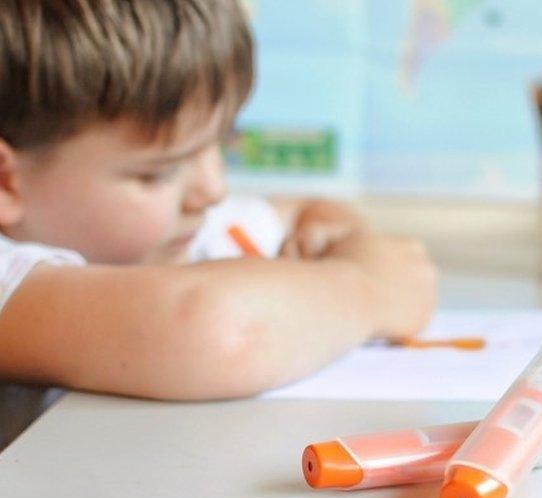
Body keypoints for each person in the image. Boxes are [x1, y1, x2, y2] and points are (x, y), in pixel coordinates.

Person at [0, 0, 437, 411]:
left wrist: (334, 234)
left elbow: (306, 212)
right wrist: (368, 287)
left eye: (219, 145)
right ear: (7, 183)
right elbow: (206, 330)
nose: (213, 190)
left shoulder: (177, 224)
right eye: (160, 172)